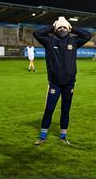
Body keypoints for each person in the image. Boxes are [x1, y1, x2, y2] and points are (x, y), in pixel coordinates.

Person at [33, 16, 92, 145]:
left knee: (66, 110)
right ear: (55, 29)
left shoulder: (74, 41)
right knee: (49, 109)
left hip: (69, 83)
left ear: (68, 29)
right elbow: (36, 33)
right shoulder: (49, 41)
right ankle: (43, 136)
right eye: (60, 27)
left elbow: (88, 35)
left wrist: (72, 27)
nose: (62, 29)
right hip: (55, 83)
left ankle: (63, 136)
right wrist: (53, 26)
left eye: (65, 27)